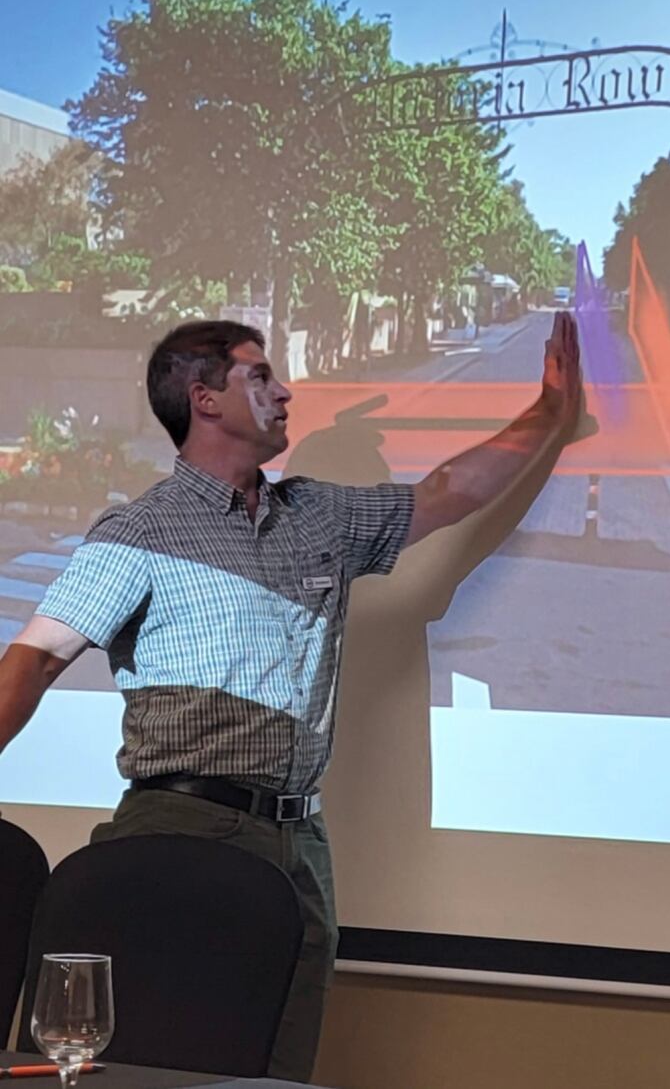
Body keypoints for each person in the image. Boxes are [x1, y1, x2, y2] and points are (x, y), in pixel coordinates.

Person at [0, 311, 592, 1083]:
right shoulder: (142, 530)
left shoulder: (322, 515)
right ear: (204, 398)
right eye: (259, 374)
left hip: (299, 846)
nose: (285, 390)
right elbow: (34, 660)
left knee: (273, 1068)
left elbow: (450, 491)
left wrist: (549, 414)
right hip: (178, 828)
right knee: (156, 1056)